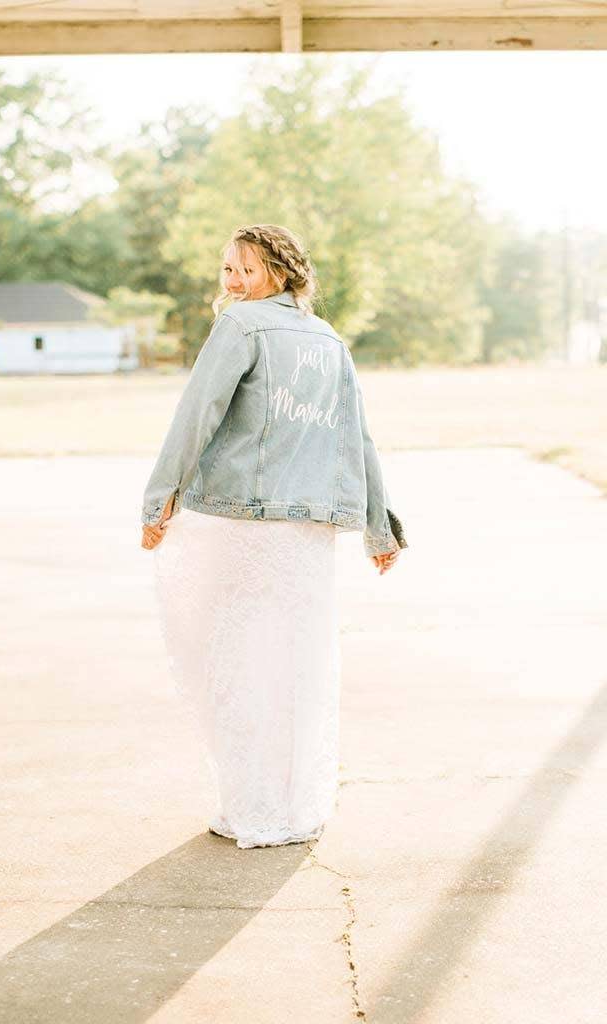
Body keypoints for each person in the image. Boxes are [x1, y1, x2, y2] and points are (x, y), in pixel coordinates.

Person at [140, 223, 407, 849]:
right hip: (307, 534)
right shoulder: (328, 340)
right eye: (228, 269)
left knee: (237, 663)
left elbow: (195, 416)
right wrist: (379, 527)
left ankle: (253, 809)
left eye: (247, 271)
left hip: (243, 524)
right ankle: (293, 811)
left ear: (280, 274)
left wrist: (159, 499)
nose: (233, 283)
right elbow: (355, 439)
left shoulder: (240, 327)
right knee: (299, 665)